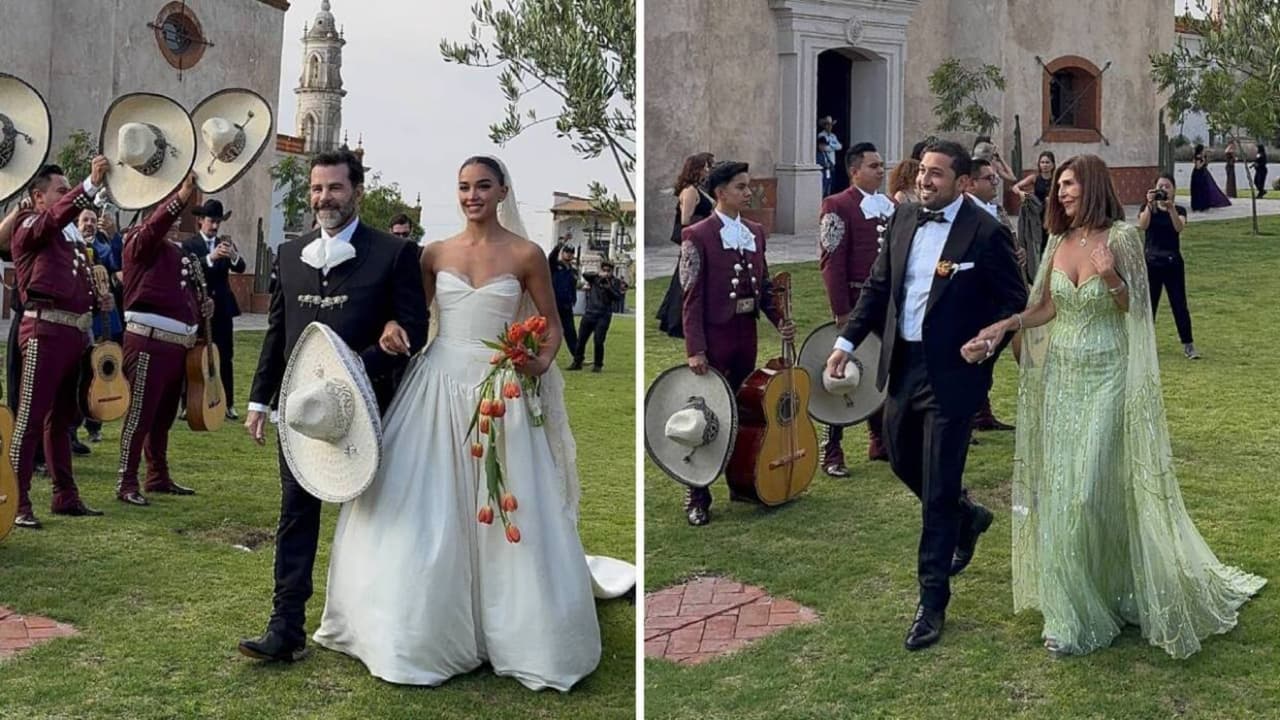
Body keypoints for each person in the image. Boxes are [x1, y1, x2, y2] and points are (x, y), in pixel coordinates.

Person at [312, 155, 633, 690]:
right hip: (436, 385)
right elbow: (413, 316)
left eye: (483, 186)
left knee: (510, 503)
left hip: (500, 388)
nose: (472, 195)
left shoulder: (527, 254)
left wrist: (540, 359)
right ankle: (418, 629)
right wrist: (394, 329)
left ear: (503, 190)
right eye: (463, 187)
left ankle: (519, 630)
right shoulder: (434, 253)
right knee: (421, 502)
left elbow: (552, 325)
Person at [969, 154, 1264, 658]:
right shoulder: (1058, 243)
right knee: (1062, 492)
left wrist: (1109, 277)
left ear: (1094, 188)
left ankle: (1107, 589)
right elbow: (1045, 306)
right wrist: (1004, 326)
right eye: (1059, 184)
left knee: (1089, 490)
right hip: (1063, 377)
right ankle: (1070, 610)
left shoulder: (1124, 238)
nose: (1062, 192)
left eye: (1071, 184)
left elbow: (1138, 308)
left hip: (1109, 373)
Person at [824, 141, 1027, 650]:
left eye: (937, 174)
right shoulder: (904, 220)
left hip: (955, 375)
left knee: (936, 490)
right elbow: (876, 288)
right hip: (903, 366)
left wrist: (990, 341)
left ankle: (931, 603)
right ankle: (969, 515)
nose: (925, 180)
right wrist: (845, 343)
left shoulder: (985, 232)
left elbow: (1014, 300)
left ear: (961, 183)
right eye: (923, 172)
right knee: (898, 458)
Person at [238, 149, 429, 663]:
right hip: (303, 414)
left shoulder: (394, 254)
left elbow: (414, 328)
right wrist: (261, 399)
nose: (325, 198)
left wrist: (383, 346)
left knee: (380, 521)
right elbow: (278, 334)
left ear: (357, 192)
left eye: (335, 188)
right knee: (296, 515)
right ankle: (286, 629)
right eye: (317, 189)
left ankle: (383, 628)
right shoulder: (288, 253)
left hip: (374, 411)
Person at [680, 161, 796, 526]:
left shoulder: (755, 232)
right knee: (708, 415)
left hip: (744, 336)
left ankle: (742, 479)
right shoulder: (698, 235)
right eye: (741, 187)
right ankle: (697, 492)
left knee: (745, 410)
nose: (748, 192)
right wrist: (695, 348)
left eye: (748, 187)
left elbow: (761, 287)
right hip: (714, 337)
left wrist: (780, 320)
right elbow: (691, 298)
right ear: (720, 193)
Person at [8, 160, 114, 528]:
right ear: (38, 197)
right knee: (30, 419)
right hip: (44, 331)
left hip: (71, 335)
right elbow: (51, 221)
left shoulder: (69, 238)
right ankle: (17, 501)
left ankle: (64, 495)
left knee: (63, 420)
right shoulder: (29, 226)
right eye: (60, 189)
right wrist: (86, 185)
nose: (67, 194)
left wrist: (97, 299)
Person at [115, 173, 210, 507]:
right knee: (140, 413)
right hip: (148, 341)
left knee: (163, 417)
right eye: (163, 215)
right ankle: (126, 480)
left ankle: (157, 475)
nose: (170, 223)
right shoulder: (138, 241)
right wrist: (178, 199)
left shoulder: (180, 253)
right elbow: (155, 227)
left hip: (177, 347)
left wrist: (200, 310)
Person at [818, 142, 891, 476]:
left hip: (887, 305)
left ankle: (879, 439)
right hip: (856, 302)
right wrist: (841, 309)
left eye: (881, 165)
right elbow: (832, 261)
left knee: (881, 370)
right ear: (854, 171)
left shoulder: (889, 205)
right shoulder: (837, 205)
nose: (880, 170)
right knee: (842, 375)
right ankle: (832, 449)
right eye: (873, 166)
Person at [965, 158, 1019, 432]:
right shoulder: (966, 214)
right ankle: (967, 416)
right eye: (988, 178)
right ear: (971, 183)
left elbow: (1006, 242)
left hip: (1000, 295)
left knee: (989, 358)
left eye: (995, 177)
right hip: (977, 296)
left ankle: (981, 412)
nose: (995, 182)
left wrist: (1014, 253)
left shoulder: (996, 210)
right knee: (974, 357)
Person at [181, 199, 246, 420]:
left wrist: (233, 255)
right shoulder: (190, 245)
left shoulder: (225, 243)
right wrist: (211, 258)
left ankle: (228, 404)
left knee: (225, 355)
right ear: (201, 221)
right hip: (197, 308)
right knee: (193, 355)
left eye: (218, 222)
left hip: (222, 309)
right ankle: (188, 403)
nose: (215, 226)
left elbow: (241, 267)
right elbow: (188, 269)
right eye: (211, 221)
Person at [1138, 173, 1199, 359]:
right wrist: (1150, 205)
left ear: (1173, 190)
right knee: (1149, 305)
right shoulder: (1147, 208)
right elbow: (1142, 225)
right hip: (1151, 262)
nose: (1163, 190)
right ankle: (1144, 344)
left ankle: (1188, 344)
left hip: (1172, 262)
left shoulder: (1179, 209)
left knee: (1179, 304)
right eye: (1160, 186)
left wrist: (1170, 209)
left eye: (1167, 186)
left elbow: (1179, 227)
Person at [656, 153, 715, 338]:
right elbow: (685, 219)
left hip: (702, 240)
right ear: (696, 169)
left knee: (685, 279)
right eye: (705, 167)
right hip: (694, 241)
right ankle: (678, 321)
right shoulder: (690, 191)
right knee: (687, 280)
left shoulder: (699, 189)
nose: (708, 170)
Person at [570, 260, 626, 372]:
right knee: (581, 339)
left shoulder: (615, 282)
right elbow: (585, 275)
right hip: (590, 312)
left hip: (603, 315)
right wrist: (598, 275)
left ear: (612, 271)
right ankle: (577, 362)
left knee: (599, 340)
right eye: (604, 270)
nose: (606, 272)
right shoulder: (595, 279)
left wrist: (608, 288)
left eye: (608, 271)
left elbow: (618, 297)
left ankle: (598, 364)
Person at [549, 240, 581, 354]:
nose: (569, 254)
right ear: (562, 253)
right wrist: (560, 244)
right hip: (554, 304)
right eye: (566, 252)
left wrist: (573, 299)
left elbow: (573, 287)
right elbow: (551, 257)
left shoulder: (573, 271)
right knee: (548, 331)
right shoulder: (555, 266)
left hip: (566, 305)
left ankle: (577, 357)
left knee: (570, 331)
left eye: (571, 252)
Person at [1189, 143, 1231, 211]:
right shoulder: (1198, 157)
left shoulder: (1203, 156)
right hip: (1198, 175)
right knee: (1199, 190)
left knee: (1206, 189)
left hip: (1203, 174)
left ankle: (1205, 204)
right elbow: (1198, 167)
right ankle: (1198, 206)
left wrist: (1206, 158)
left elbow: (1205, 164)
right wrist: (1203, 161)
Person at [818, 117, 842, 196]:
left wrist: (831, 145)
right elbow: (825, 148)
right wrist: (832, 147)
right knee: (824, 184)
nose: (829, 127)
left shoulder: (833, 136)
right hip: (824, 164)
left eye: (830, 125)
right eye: (827, 125)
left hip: (832, 163)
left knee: (831, 183)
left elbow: (839, 146)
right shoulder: (821, 135)